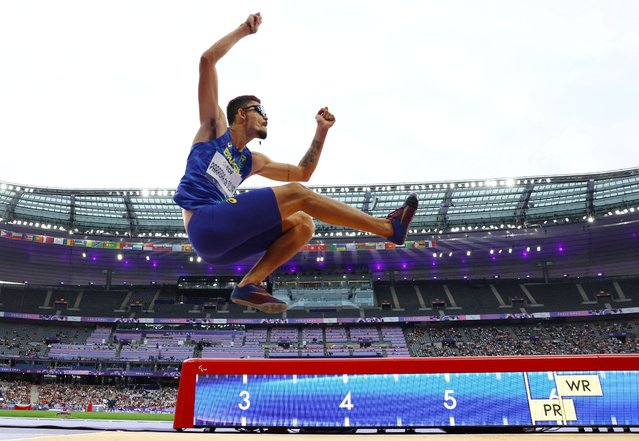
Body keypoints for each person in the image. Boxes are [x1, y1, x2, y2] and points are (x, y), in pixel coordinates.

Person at [173, 12, 418, 314]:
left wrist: (320, 131)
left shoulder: (252, 160)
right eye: (260, 109)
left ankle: (250, 285)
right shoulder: (214, 128)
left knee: (304, 223)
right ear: (241, 114)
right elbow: (207, 61)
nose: (266, 116)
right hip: (204, 224)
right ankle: (387, 228)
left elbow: (304, 173)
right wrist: (244, 30)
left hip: (222, 246)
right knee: (295, 195)